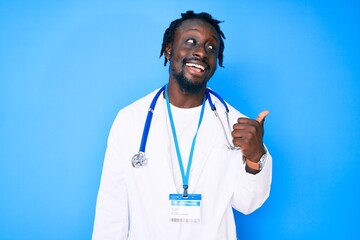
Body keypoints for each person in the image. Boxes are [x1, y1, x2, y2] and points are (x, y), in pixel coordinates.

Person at [92, 10, 272, 240]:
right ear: (169, 49)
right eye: (191, 42)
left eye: (210, 47)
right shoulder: (130, 120)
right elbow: (111, 210)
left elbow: (248, 204)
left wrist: (255, 157)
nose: (200, 52)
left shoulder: (237, 126)